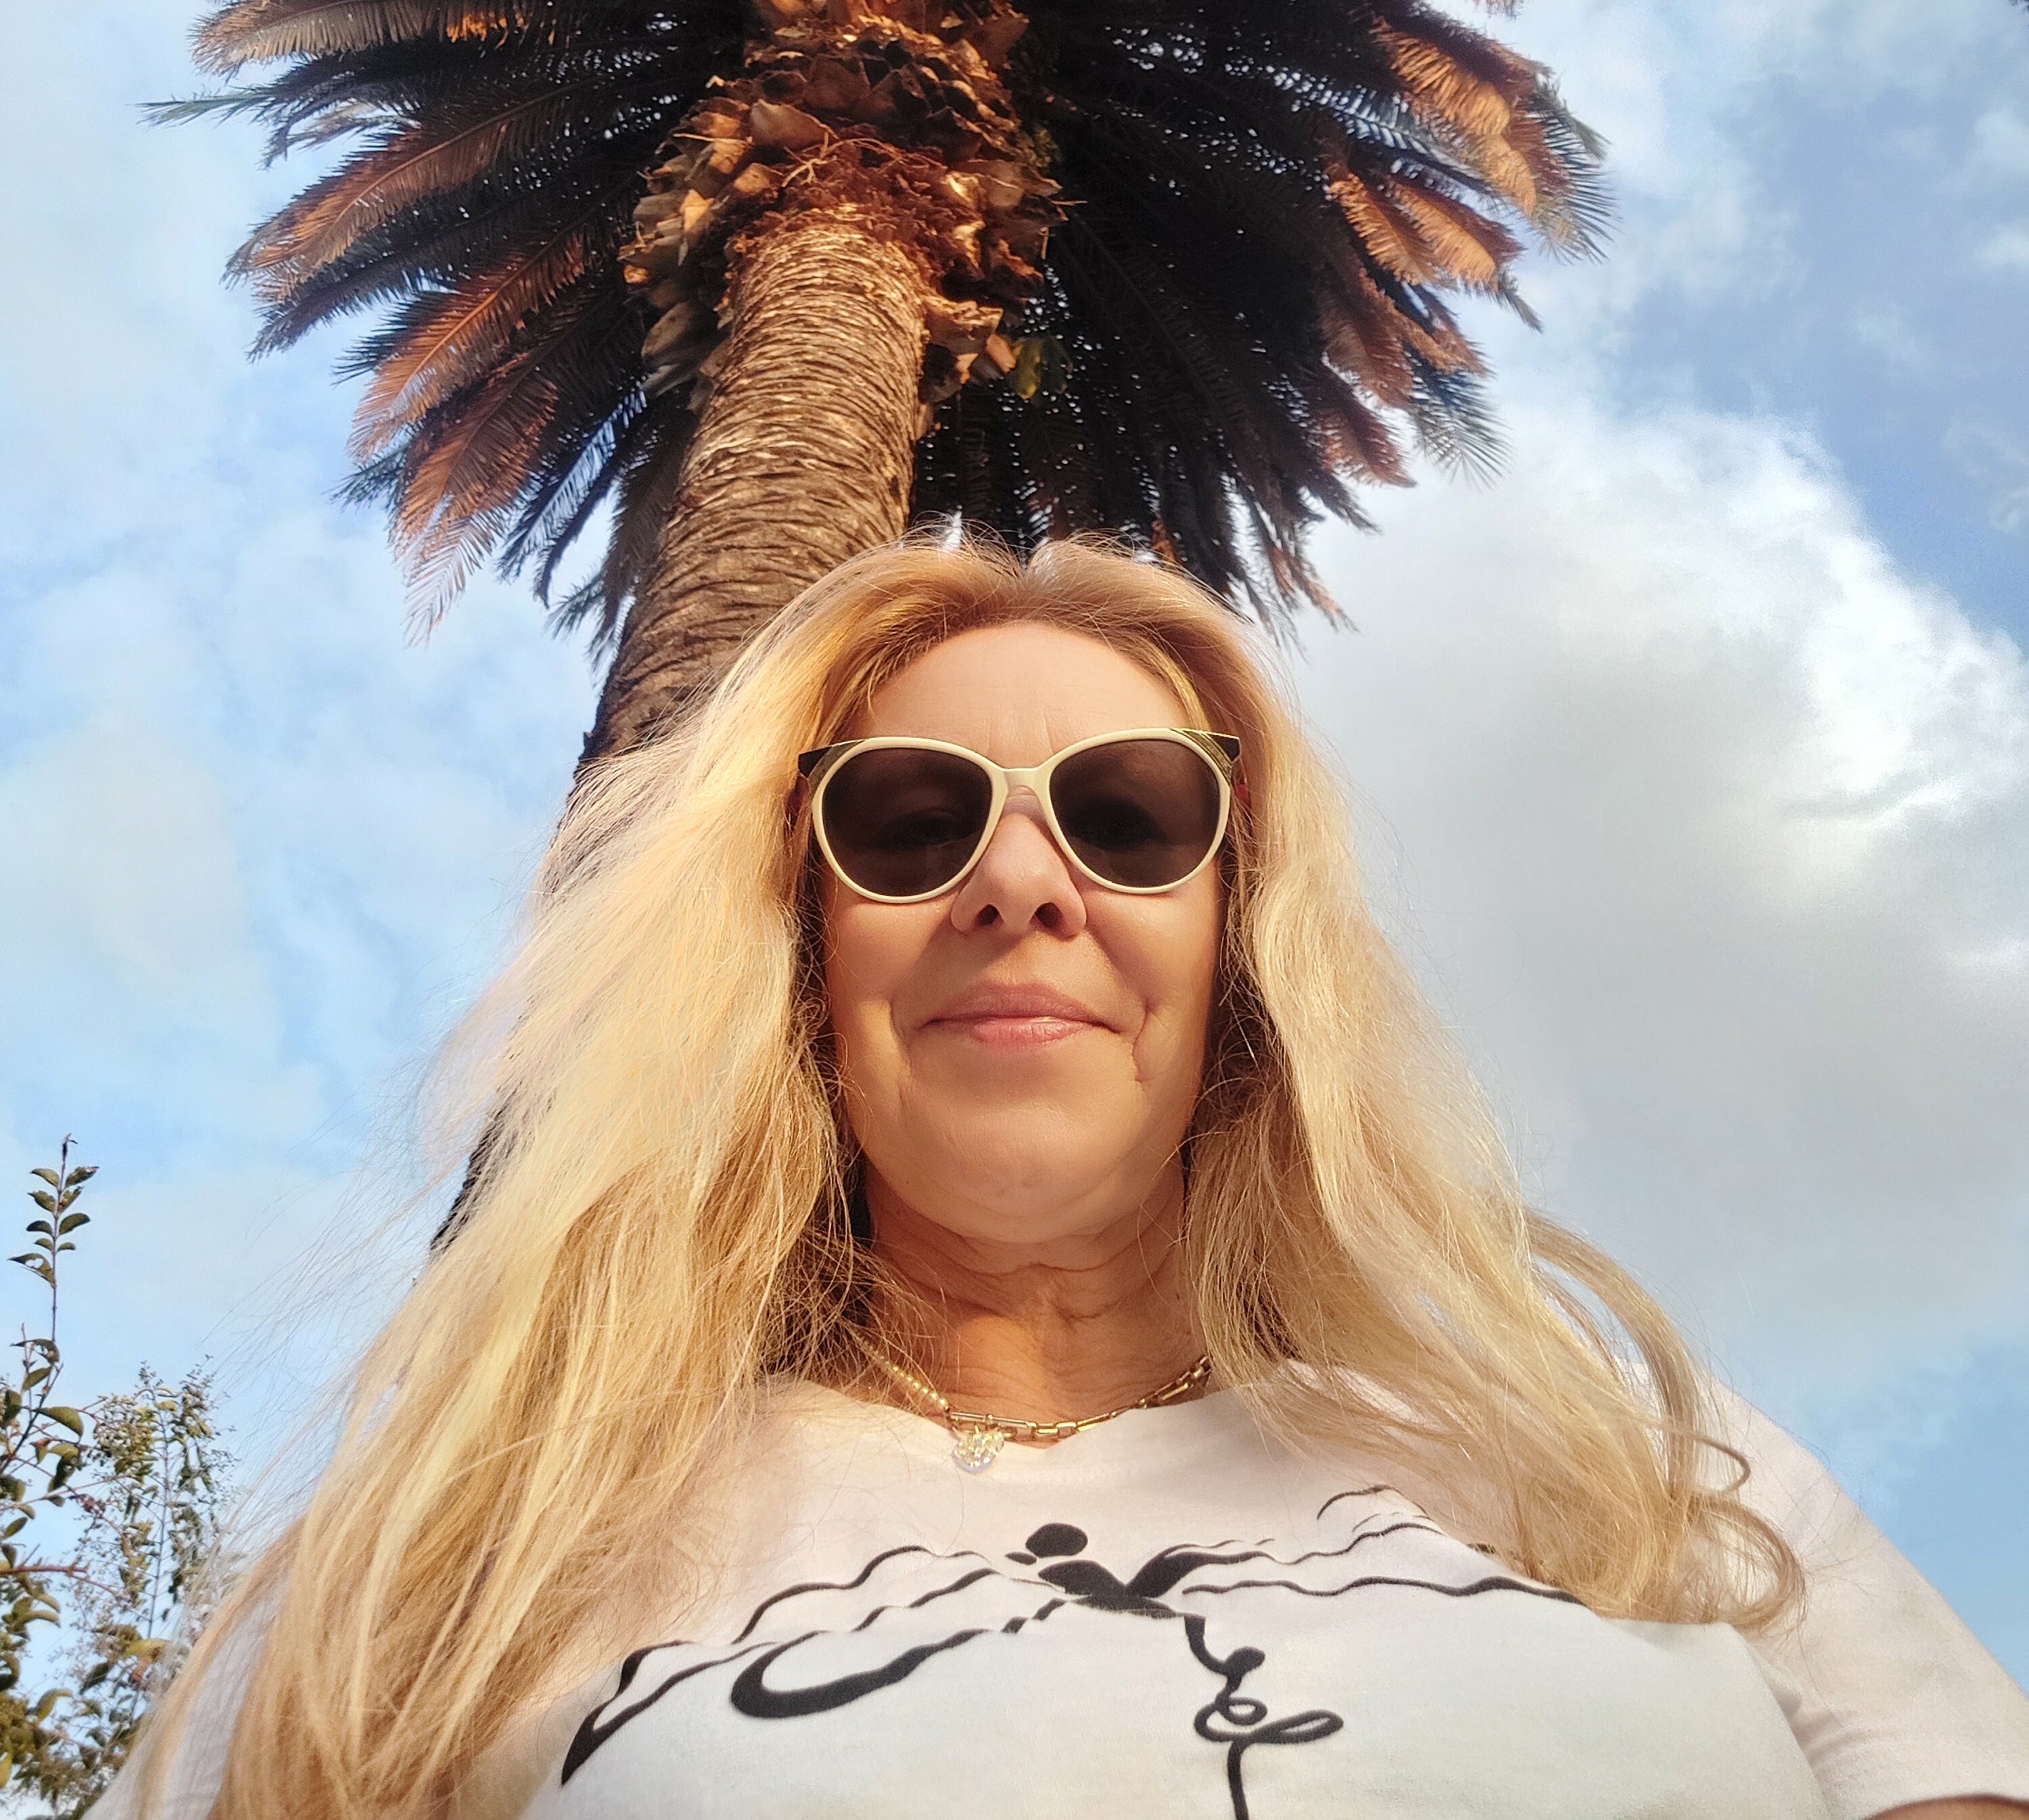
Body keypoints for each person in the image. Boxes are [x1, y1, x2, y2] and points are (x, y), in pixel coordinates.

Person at [106, 538, 2029, 1820]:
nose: (1021, 884)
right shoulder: (471, 1560)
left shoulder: (1627, 1464)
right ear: (794, 956)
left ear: (1243, 950)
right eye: (906, 822)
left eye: (1127, 816)